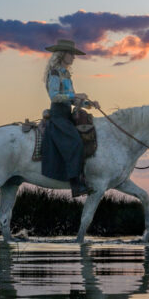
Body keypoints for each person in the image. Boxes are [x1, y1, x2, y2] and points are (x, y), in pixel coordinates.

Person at [40, 39, 100, 196]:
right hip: (58, 115)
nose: (73, 57)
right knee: (75, 141)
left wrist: (89, 103)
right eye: (71, 54)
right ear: (62, 54)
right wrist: (75, 95)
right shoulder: (54, 73)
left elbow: (73, 100)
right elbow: (54, 96)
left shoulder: (66, 74)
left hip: (67, 114)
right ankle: (75, 182)